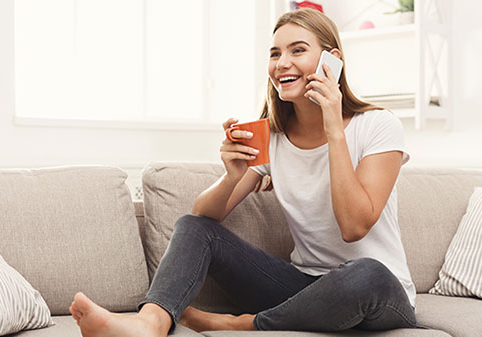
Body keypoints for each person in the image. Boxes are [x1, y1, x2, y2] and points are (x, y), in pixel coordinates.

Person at [69, 8, 417, 336]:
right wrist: (233, 175)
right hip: (301, 285)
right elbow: (202, 218)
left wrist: (334, 131)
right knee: (192, 226)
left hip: (377, 294)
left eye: (298, 50)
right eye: (275, 53)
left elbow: (354, 227)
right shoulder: (272, 136)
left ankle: (244, 324)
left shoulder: (378, 126)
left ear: (332, 61)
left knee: (368, 274)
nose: (283, 63)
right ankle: (150, 323)